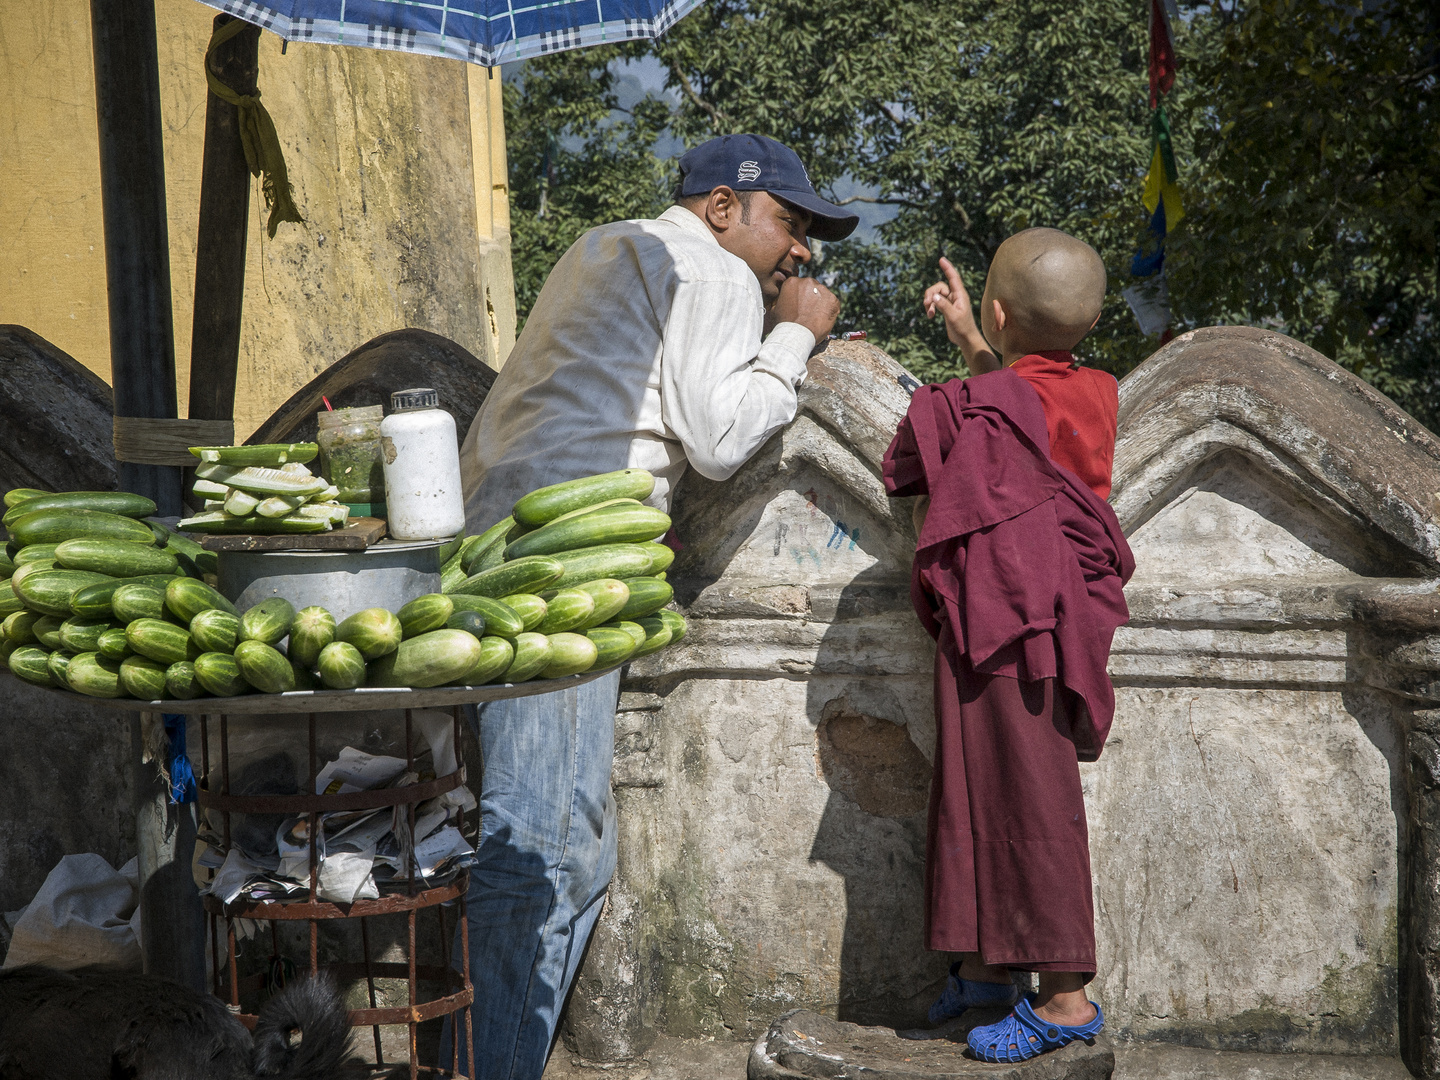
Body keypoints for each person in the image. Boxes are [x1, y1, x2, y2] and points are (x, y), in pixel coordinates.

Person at [444, 133, 857, 1080]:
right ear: (724, 208)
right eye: (789, 224)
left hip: (500, 545)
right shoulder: (706, 270)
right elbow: (715, 439)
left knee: (574, 844)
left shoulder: (604, 242)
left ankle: (495, 1051)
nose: (800, 253)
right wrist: (795, 333)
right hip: (565, 565)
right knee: (540, 844)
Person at [882, 228, 1135, 1062]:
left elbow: (909, 461)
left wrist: (964, 360)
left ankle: (1065, 1000)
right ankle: (990, 973)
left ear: (996, 310)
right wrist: (977, 345)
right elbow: (1028, 403)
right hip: (1041, 617)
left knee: (1028, 798)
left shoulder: (966, 404)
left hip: (1011, 621)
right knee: (972, 789)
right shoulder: (1097, 390)